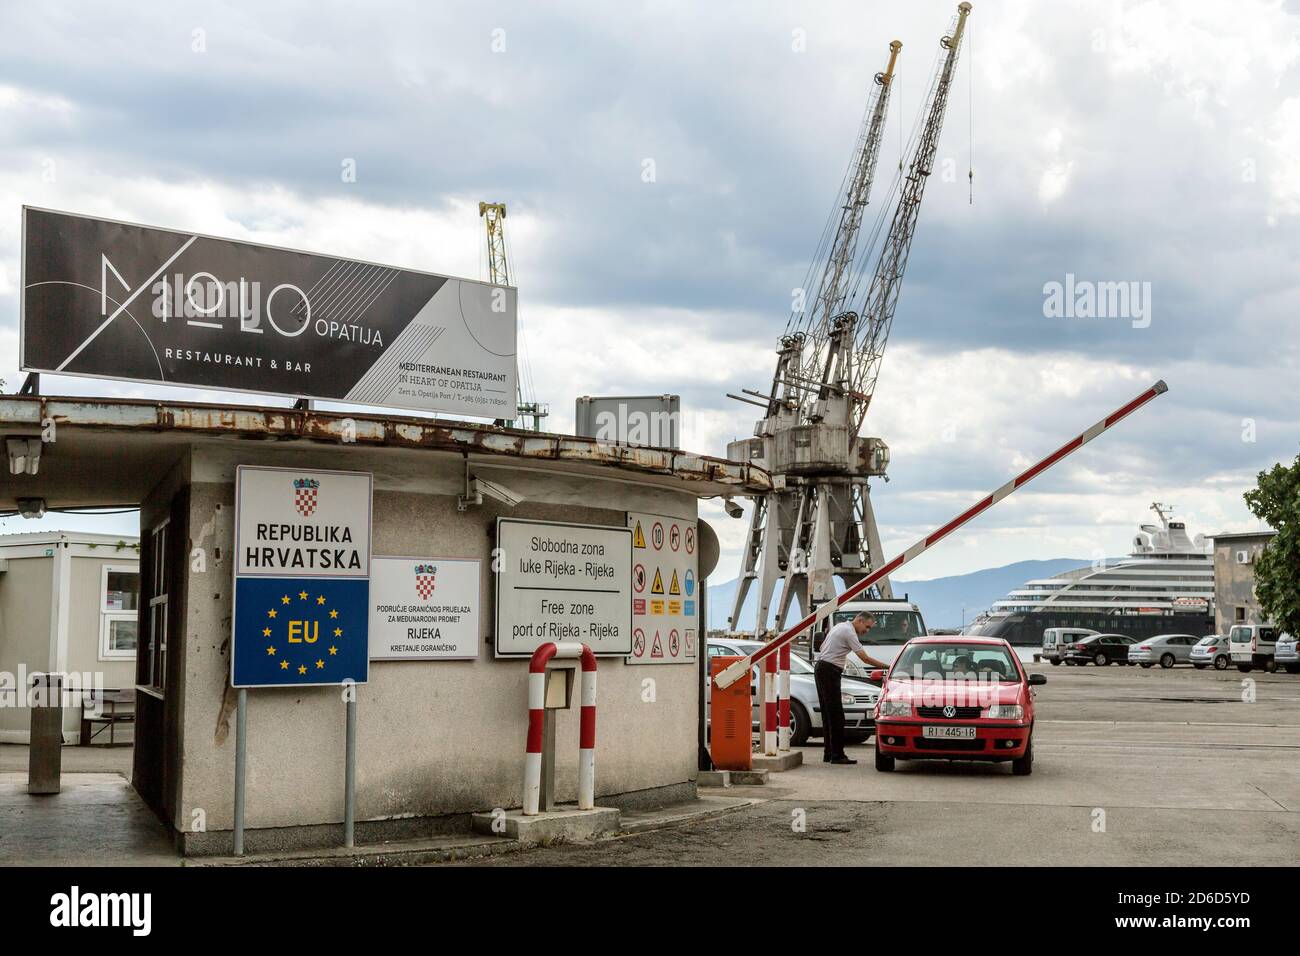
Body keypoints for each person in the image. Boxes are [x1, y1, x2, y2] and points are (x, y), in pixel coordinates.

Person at [815, 612, 889, 765]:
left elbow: (823, 647)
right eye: (867, 627)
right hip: (829, 671)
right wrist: (889, 667)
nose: (866, 631)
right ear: (859, 620)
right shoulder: (849, 632)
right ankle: (837, 755)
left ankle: (828, 753)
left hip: (822, 668)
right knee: (837, 716)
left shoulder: (839, 626)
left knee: (828, 714)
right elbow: (865, 658)